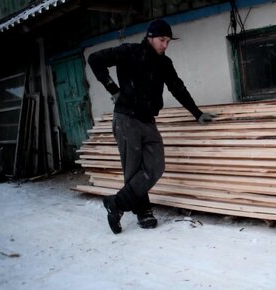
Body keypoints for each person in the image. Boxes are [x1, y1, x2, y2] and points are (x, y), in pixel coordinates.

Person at [88, 19, 215, 234]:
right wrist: (112, 88)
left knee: (156, 166)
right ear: (150, 37)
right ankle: (144, 211)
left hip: (148, 120)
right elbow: (94, 59)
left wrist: (197, 113)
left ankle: (116, 204)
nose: (165, 45)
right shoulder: (129, 52)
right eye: (161, 40)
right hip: (126, 118)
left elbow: (177, 87)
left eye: (168, 41)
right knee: (133, 169)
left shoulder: (164, 63)